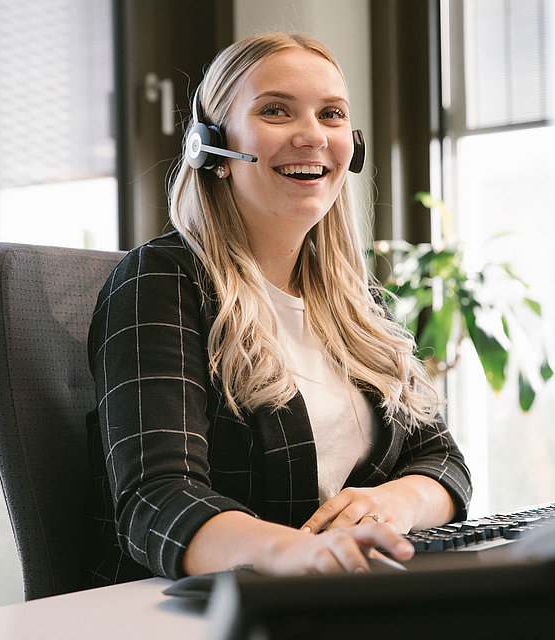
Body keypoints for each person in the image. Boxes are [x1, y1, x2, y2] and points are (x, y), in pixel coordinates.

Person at [86, 32, 471, 584]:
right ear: (211, 147)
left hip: (359, 596)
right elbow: (157, 498)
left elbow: (443, 460)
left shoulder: (359, 306)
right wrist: (298, 554)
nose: (312, 136)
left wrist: (399, 504)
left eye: (331, 114)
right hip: (222, 611)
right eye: (276, 111)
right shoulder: (164, 282)